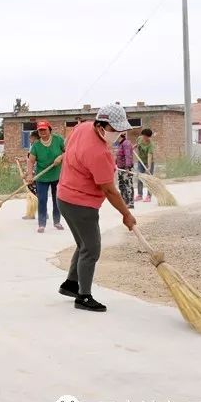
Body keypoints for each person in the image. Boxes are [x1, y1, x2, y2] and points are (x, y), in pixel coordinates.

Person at [56, 104, 137, 312]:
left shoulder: (82, 127)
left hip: (64, 197)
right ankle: (83, 297)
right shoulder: (99, 153)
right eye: (114, 129)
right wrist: (126, 214)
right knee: (91, 249)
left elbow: (69, 148)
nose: (118, 133)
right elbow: (109, 190)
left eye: (120, 129)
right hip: (81, 204)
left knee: (82, 244)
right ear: (101, 125)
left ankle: (71, 284)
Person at [26, 121, 66, 233]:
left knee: (57, 199)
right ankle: (42, 224)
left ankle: (57, 222)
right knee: (42, 200)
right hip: (42, 177)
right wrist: (30, 174)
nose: (42, 132)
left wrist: (61, 157)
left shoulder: (58, 140)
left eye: (44, 129)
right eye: (40, 130)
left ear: (49, 129)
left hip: (57, 175)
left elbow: (68, 151)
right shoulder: (36, 145)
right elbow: (31, 161)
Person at [114, 132, 135, 209]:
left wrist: (127, 167)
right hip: (120, 168)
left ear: (120, 136)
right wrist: (115, 163)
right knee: (121, 185)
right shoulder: (120, 144)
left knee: (128, 185)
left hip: (126, 168)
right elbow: (118, 156)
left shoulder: (126, 143)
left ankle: (130, 202)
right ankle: (124, 201)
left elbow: (128, 155)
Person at [135, 128, 156, 202]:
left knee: (149, 179)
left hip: (149, 162)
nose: (144, 137)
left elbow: (149, 156)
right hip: (140, 161)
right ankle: (139, 195)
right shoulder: (139, 139)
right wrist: (134, 146)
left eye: (145, 136)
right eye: (143, 135)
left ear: (149, 137)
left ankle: (148, 196)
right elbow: (137, 144)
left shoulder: (150, 145)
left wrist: (149, 166)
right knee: (140, 177)